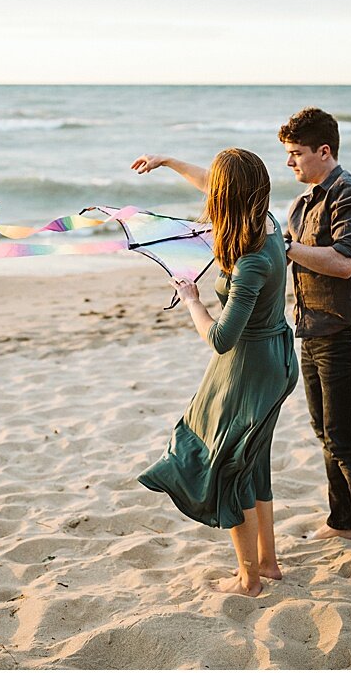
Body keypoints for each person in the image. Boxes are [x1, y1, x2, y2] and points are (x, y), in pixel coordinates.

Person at [131, 146, 299, 596]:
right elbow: (212, 181)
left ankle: (248, 581)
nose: (208, 197)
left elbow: (221, 339)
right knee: (253, 460)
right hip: (277, 358)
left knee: (228, 466)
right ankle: (268, 563)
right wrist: (167, 161)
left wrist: (192, 300)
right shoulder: (268, 224)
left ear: (228, 199)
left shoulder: (250, 262)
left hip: (250, 367)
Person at [279, 106, 351, 580]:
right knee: (326, 434)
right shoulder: (303, 203)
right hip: (315, 330)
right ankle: (343, 521)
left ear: (324, 151)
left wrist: (285, 248)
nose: (290, 163)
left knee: (348, 442)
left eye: (296, 154)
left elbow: (345, 263)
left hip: (349, 332)